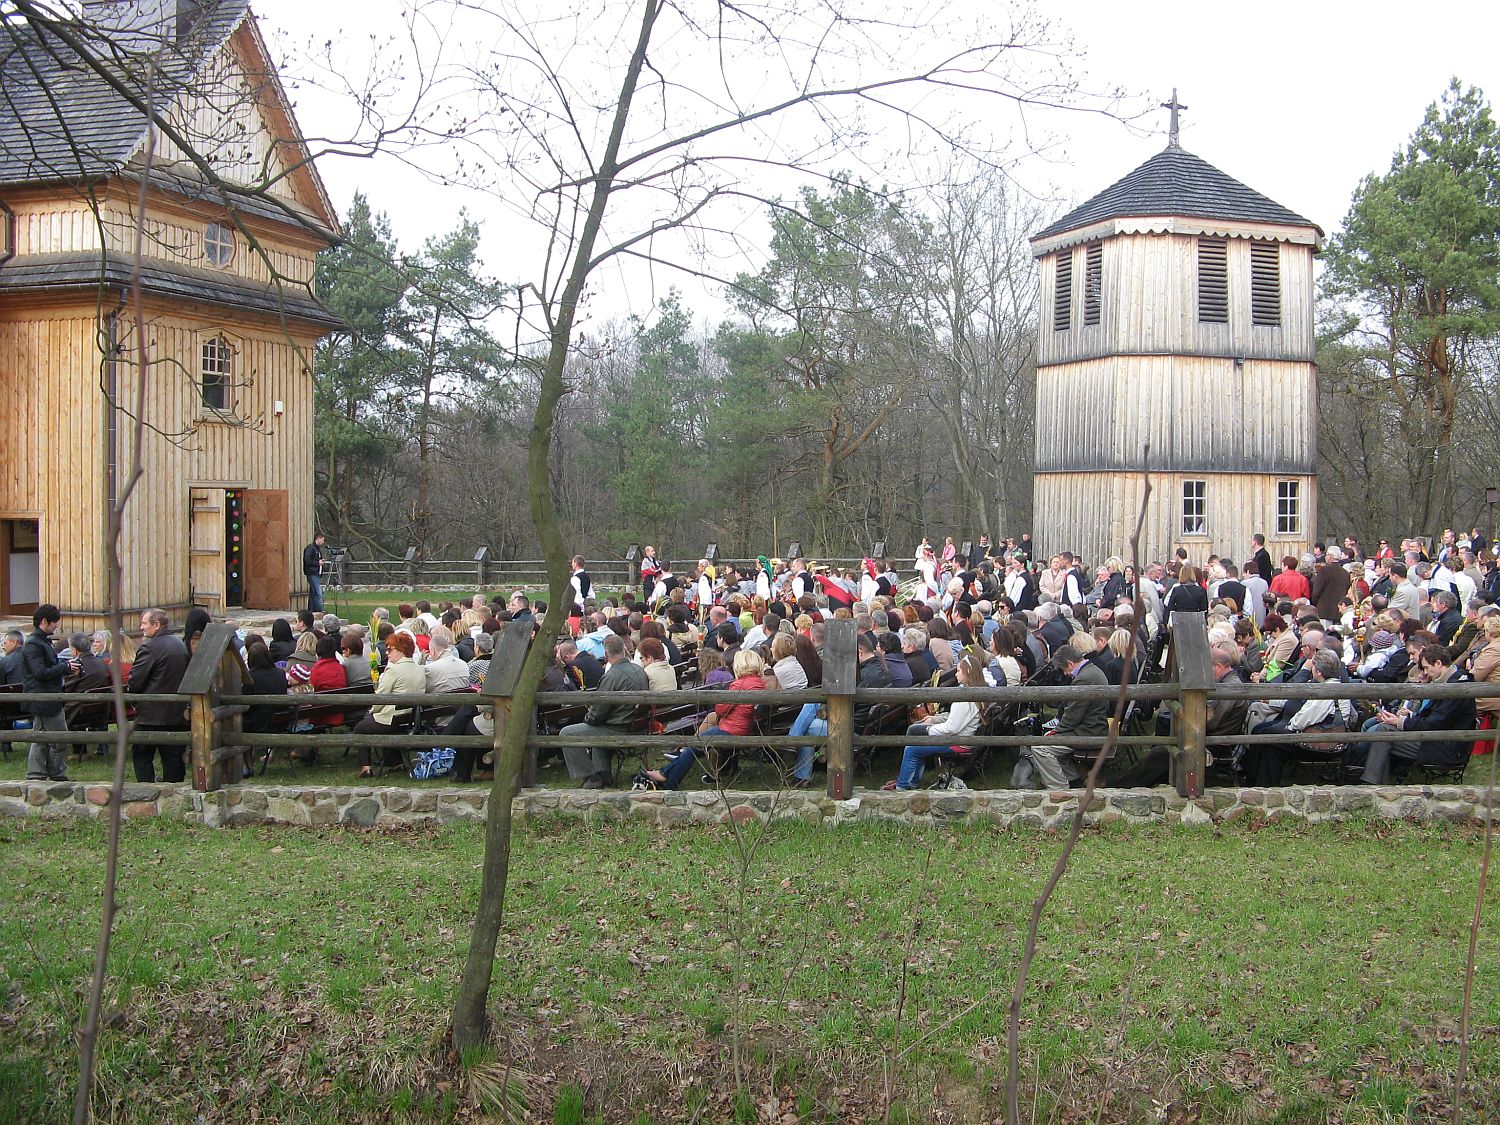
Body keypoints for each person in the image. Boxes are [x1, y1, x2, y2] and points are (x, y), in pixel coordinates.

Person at [1351, 644, 1476, 783]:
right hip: (1439, 740)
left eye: (1427, 668)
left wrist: (1401, 722)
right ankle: (1374, 780)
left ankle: (1371, 781)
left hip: (1445, 747)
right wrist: (1407, 717)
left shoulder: (1455, 688)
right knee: (1385, 729)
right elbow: (1436, 719)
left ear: (1438, 663)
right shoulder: (1451, 682)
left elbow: (1436, 722)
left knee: (1384, 732)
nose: (1426, 672)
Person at [645, 649, 764, 789]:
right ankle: (664, 775)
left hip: (731, 731)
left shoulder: (739, 685)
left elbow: (720, 709)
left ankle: (669, 782)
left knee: (693, 747)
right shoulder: (759, 682)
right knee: (696, 744)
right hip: (742, 728)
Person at [885, 652, 985, 790]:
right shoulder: (975, 692)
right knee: (915, 732)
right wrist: (934, 719)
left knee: (912, 748)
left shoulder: (965, 699)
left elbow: (952, 728)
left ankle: (903, 785)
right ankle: (910, 780)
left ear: (967, 672)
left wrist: (929, 729)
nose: (956, 674)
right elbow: (955, 718)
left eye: (959, 671)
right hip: (962, 738)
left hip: (957, 742)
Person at [1013, 644, 1107, 789]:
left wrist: (1057, 731)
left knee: (1040, 748)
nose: (1065, 674)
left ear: (1070, 663)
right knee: (1049, 742)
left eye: (1064, 669)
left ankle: (1059, 788)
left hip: (1089, 732)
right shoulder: (1092, 671)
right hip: (1093, 727)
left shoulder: (1084, 679)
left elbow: (1073, 716)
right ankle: (1073, 780)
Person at [560, 634, 648, 789]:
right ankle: (603, 774)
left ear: (606, 654)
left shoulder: (612, 676)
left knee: (567, 733)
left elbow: (598, 713)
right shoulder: (639, 670)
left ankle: (590, 776)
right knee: (595, 729)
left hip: (619, 729)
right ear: (623, 649)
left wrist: (588, 718)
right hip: (636, 726)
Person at [128, 608, 190, 783]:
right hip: (176, 712)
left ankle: (147, 790)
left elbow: (136, 680)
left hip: (150, 714)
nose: (141, 627)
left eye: (144, 623)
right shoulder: (180, 645)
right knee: (173, 758)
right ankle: (175, 793)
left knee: (142, 756)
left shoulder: (149, 647)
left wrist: (133, 699)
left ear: (156, 625)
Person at [353, 631, 424, 777]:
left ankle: (366, 767)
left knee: (360, 728)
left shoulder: (393, 669)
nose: (387, 653)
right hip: (409, 719)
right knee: (376, 722)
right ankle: (395, 762)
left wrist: (372, 711)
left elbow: (381, 697)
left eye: (390, 649)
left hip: (392, 720)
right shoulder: (419, 669)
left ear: (401, 650)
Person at [21, 604, 76, 781]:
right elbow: (39, 673)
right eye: (55, 623)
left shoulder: (42, 641)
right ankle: (55, 772)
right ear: (44, 621)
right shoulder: (34, 645)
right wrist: (64, 668)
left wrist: (64, 668)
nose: (57, 626)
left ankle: (36, 774)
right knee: (59, 737)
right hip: (43, 697)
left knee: (41, 737)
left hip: (47, 697)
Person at [303, 532, 326, 612]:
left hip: (317, 573)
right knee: (318, 593)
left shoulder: (317, 549)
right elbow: (307, 560)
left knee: (313, 593)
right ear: (318, 539)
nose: (323, 542)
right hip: (312, 573)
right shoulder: (310, 548)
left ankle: (311, 610)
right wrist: (318, 563)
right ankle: (318, 610)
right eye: (322, 540)